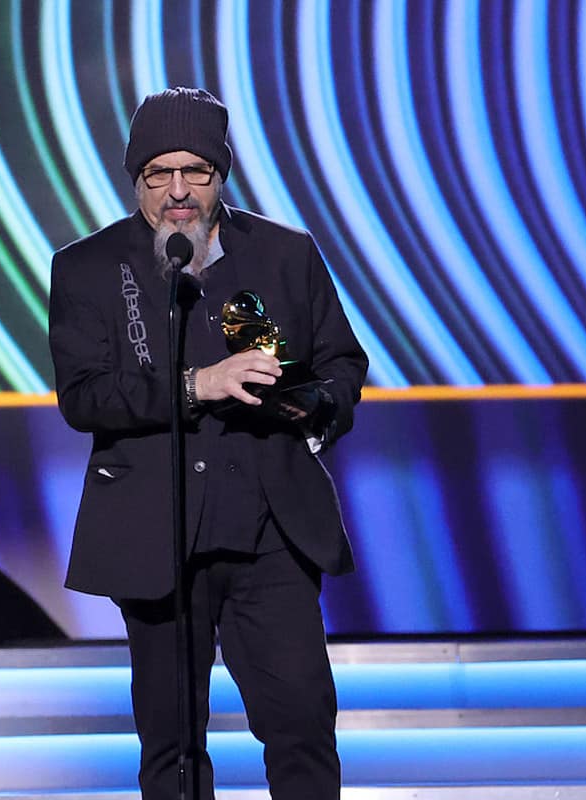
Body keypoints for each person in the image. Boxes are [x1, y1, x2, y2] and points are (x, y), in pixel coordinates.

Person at [48, 87, 368, 799]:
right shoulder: (89, 268)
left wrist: (318, 405)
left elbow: (343, 360)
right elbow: (85, 396)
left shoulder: (285, 254)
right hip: (155, 540)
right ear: (135, 179)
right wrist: (199, 384)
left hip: (271, 535)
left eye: (197, 171)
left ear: (222, 175)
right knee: (173, 744)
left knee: (302, 724)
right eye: (159, 173)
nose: (179, 191)